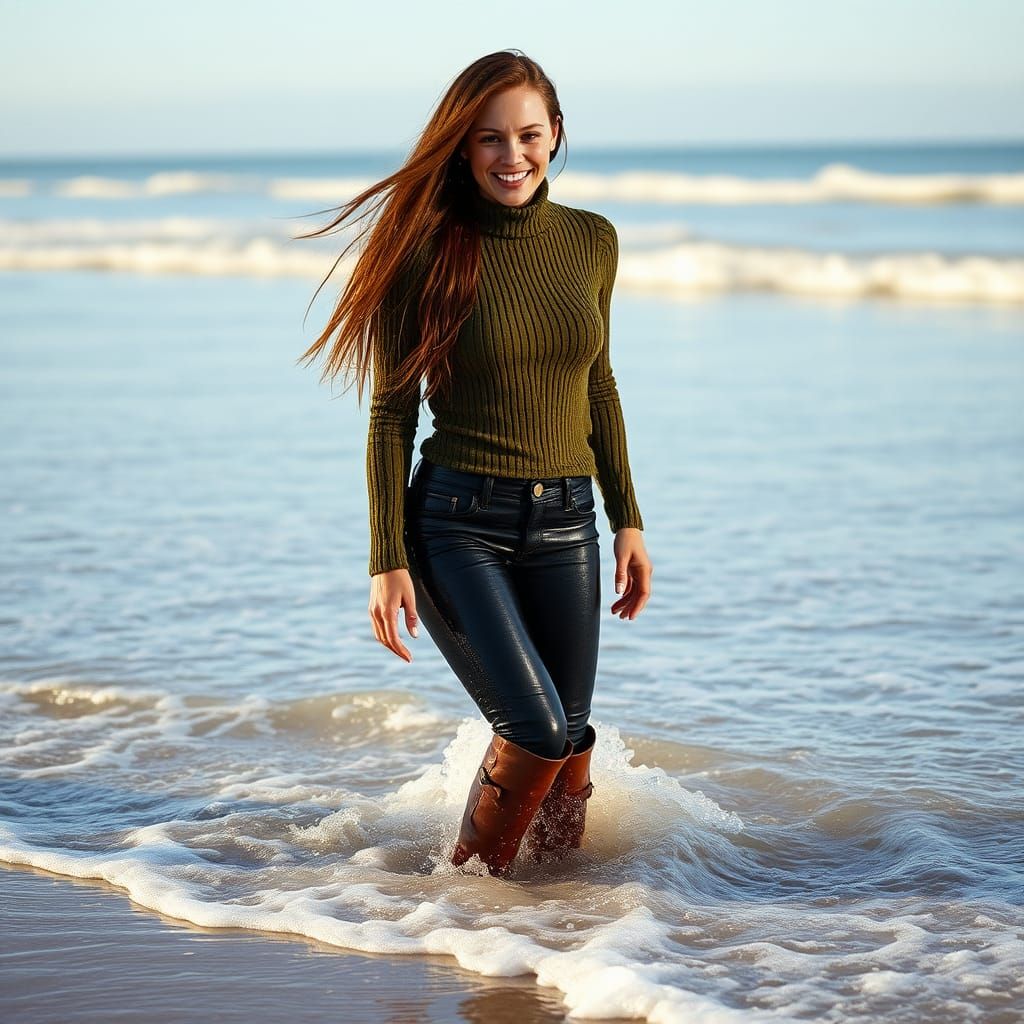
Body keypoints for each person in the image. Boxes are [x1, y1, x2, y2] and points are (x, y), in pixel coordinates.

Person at [298, 49, 653, 878]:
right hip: (458, 526)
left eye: (528, 134)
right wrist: (386, 557)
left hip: (566, 520)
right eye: (490, 138)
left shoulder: (592, 240)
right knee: (534, 729)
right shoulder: (423, 251)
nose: (512, 155)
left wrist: (627, 518)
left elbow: (597, 383)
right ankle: (467, 898)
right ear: (463, 146)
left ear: (555, 133)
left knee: (569, 733)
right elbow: (392, 414)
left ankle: (557, 902)